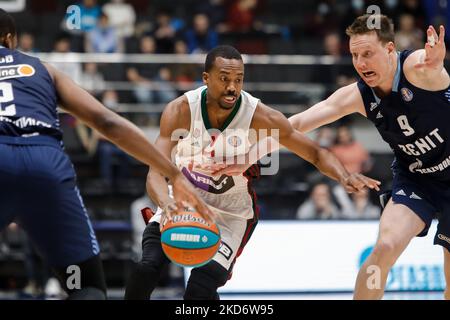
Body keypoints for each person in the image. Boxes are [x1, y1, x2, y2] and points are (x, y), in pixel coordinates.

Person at [216, 14, 450, 300]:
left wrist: (436, 63)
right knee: (384, 248)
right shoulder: (358, 95)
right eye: (354, 55)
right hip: (417, 179)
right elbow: (298, 124)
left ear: (390, 50)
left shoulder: (416, 67)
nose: (361, 63)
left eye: (368, 53)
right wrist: (250, 155)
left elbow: (432, 68)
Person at [124, 45, 380, 300]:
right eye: (224, 79)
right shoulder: (180, 110)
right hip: (181, 205)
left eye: (238, 80)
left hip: (230, 213)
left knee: (200, 289)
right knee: (147, 267)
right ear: (206, 78)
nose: (232, 88)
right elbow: (155, 173)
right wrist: (166, 204)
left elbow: (315, 152)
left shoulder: (259, 116)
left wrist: (344, 175)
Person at [0, 9, 212, 300]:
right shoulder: (43, 69)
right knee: (84, 285)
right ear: (9, 39)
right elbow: (107, 122)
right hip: (44, 162)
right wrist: (173, 172)